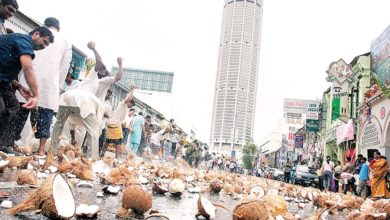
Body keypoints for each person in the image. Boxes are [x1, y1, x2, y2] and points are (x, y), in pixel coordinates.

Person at [13, 17, 72, 156]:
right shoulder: (65, 41)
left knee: (21, 110)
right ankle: (41, 150)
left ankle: (12, 142)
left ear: (45, 25)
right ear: (58, 28)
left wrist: (19, 77)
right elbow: (65, 66)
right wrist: (58, 84)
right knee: (46, 114)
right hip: (50, 82)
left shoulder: (38, 33)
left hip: (28, 78)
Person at [0, 26, 54, 154]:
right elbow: (28, 68)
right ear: (36, 34)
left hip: (4, 82)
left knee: (13, 105)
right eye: (44, 42)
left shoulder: (21, 42)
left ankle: (3, 144)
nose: (44, 46)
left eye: (47, 45)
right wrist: (36, 95)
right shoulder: (24, 41)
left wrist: (18, 86)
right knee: (1, 108)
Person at [103, 86, 135, 159]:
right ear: (129, 102)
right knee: (119, 141)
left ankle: (102, 154)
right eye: (131, 105)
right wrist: (132, 90)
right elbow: (128, 98)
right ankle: (116, 159)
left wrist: (122, 124)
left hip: (111, 123)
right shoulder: (123, 103)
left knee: (108, 140)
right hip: (114, 124)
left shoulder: (125, 108)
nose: (130, 106)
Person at [98, 90, 113, 155]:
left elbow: (108, 115)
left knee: (101, 139)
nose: (108, 96)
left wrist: (104, 113)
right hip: (95, 121)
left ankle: (98, 152)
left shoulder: (109, 105)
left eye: (109, 95)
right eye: (107, 94)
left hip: (102, 124)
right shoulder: (99, 99)